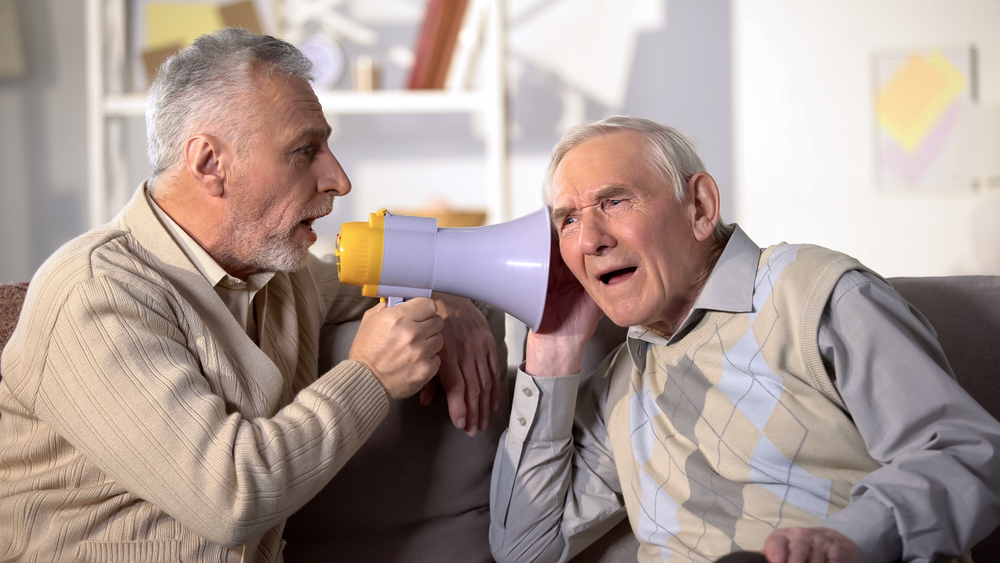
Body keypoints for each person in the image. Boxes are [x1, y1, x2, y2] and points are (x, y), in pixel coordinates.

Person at [0, 29, 501, 562]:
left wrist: (447, 290)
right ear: (210, 163)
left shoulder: (276, 271)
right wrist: (372, 376)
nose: (339, 180)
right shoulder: (93, 292)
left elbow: (364, 273)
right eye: (305, 150)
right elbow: (229, 499)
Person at [489, 116, 1000, 563]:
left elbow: (965, 453)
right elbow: (524, 547)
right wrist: (553, 348)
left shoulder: (814, 294)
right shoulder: (621, 381)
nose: (590, 240)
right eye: (569, 220)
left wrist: (849, 541)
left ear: (701, 206)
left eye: (615, 201)